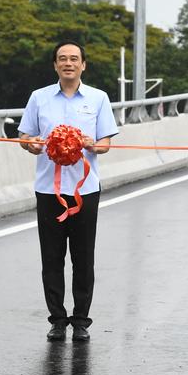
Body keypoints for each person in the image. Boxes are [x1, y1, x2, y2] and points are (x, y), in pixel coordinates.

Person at [19, 41, 118, 342]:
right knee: (51, 257)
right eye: (62, 59)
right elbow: (24, 137)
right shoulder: (39, 97)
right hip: (48, 189)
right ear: (55, 65)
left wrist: (91, 144)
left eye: (74, 59)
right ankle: (57, 320)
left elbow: (105, 143)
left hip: (84, 190)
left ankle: (81, 320)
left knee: (83, 257)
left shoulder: (98, 98)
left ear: (83, 65)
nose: (68, 63)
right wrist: (31, 144)